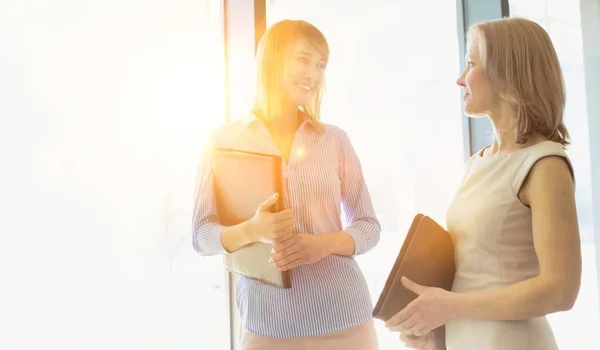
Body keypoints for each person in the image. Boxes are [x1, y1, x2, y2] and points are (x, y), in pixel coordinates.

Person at [385, 17, 582, 350]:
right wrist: (435, 332)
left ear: (508, 72)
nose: (460, 79)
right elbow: (474, 273)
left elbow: (560, 289)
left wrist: (450, 306)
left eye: (472, 64)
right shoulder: (477, 162)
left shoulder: (544, 164)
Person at [192, 19, 381, 350]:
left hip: (345, 317)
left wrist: (324, 244)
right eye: (303, 59)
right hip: (268, 324)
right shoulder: (222, 141)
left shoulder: (334, 140)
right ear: (274, 60)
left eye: (320, 65)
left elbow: (368, 227)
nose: (313, 73)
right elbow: (201, 236)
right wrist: (252, 230)